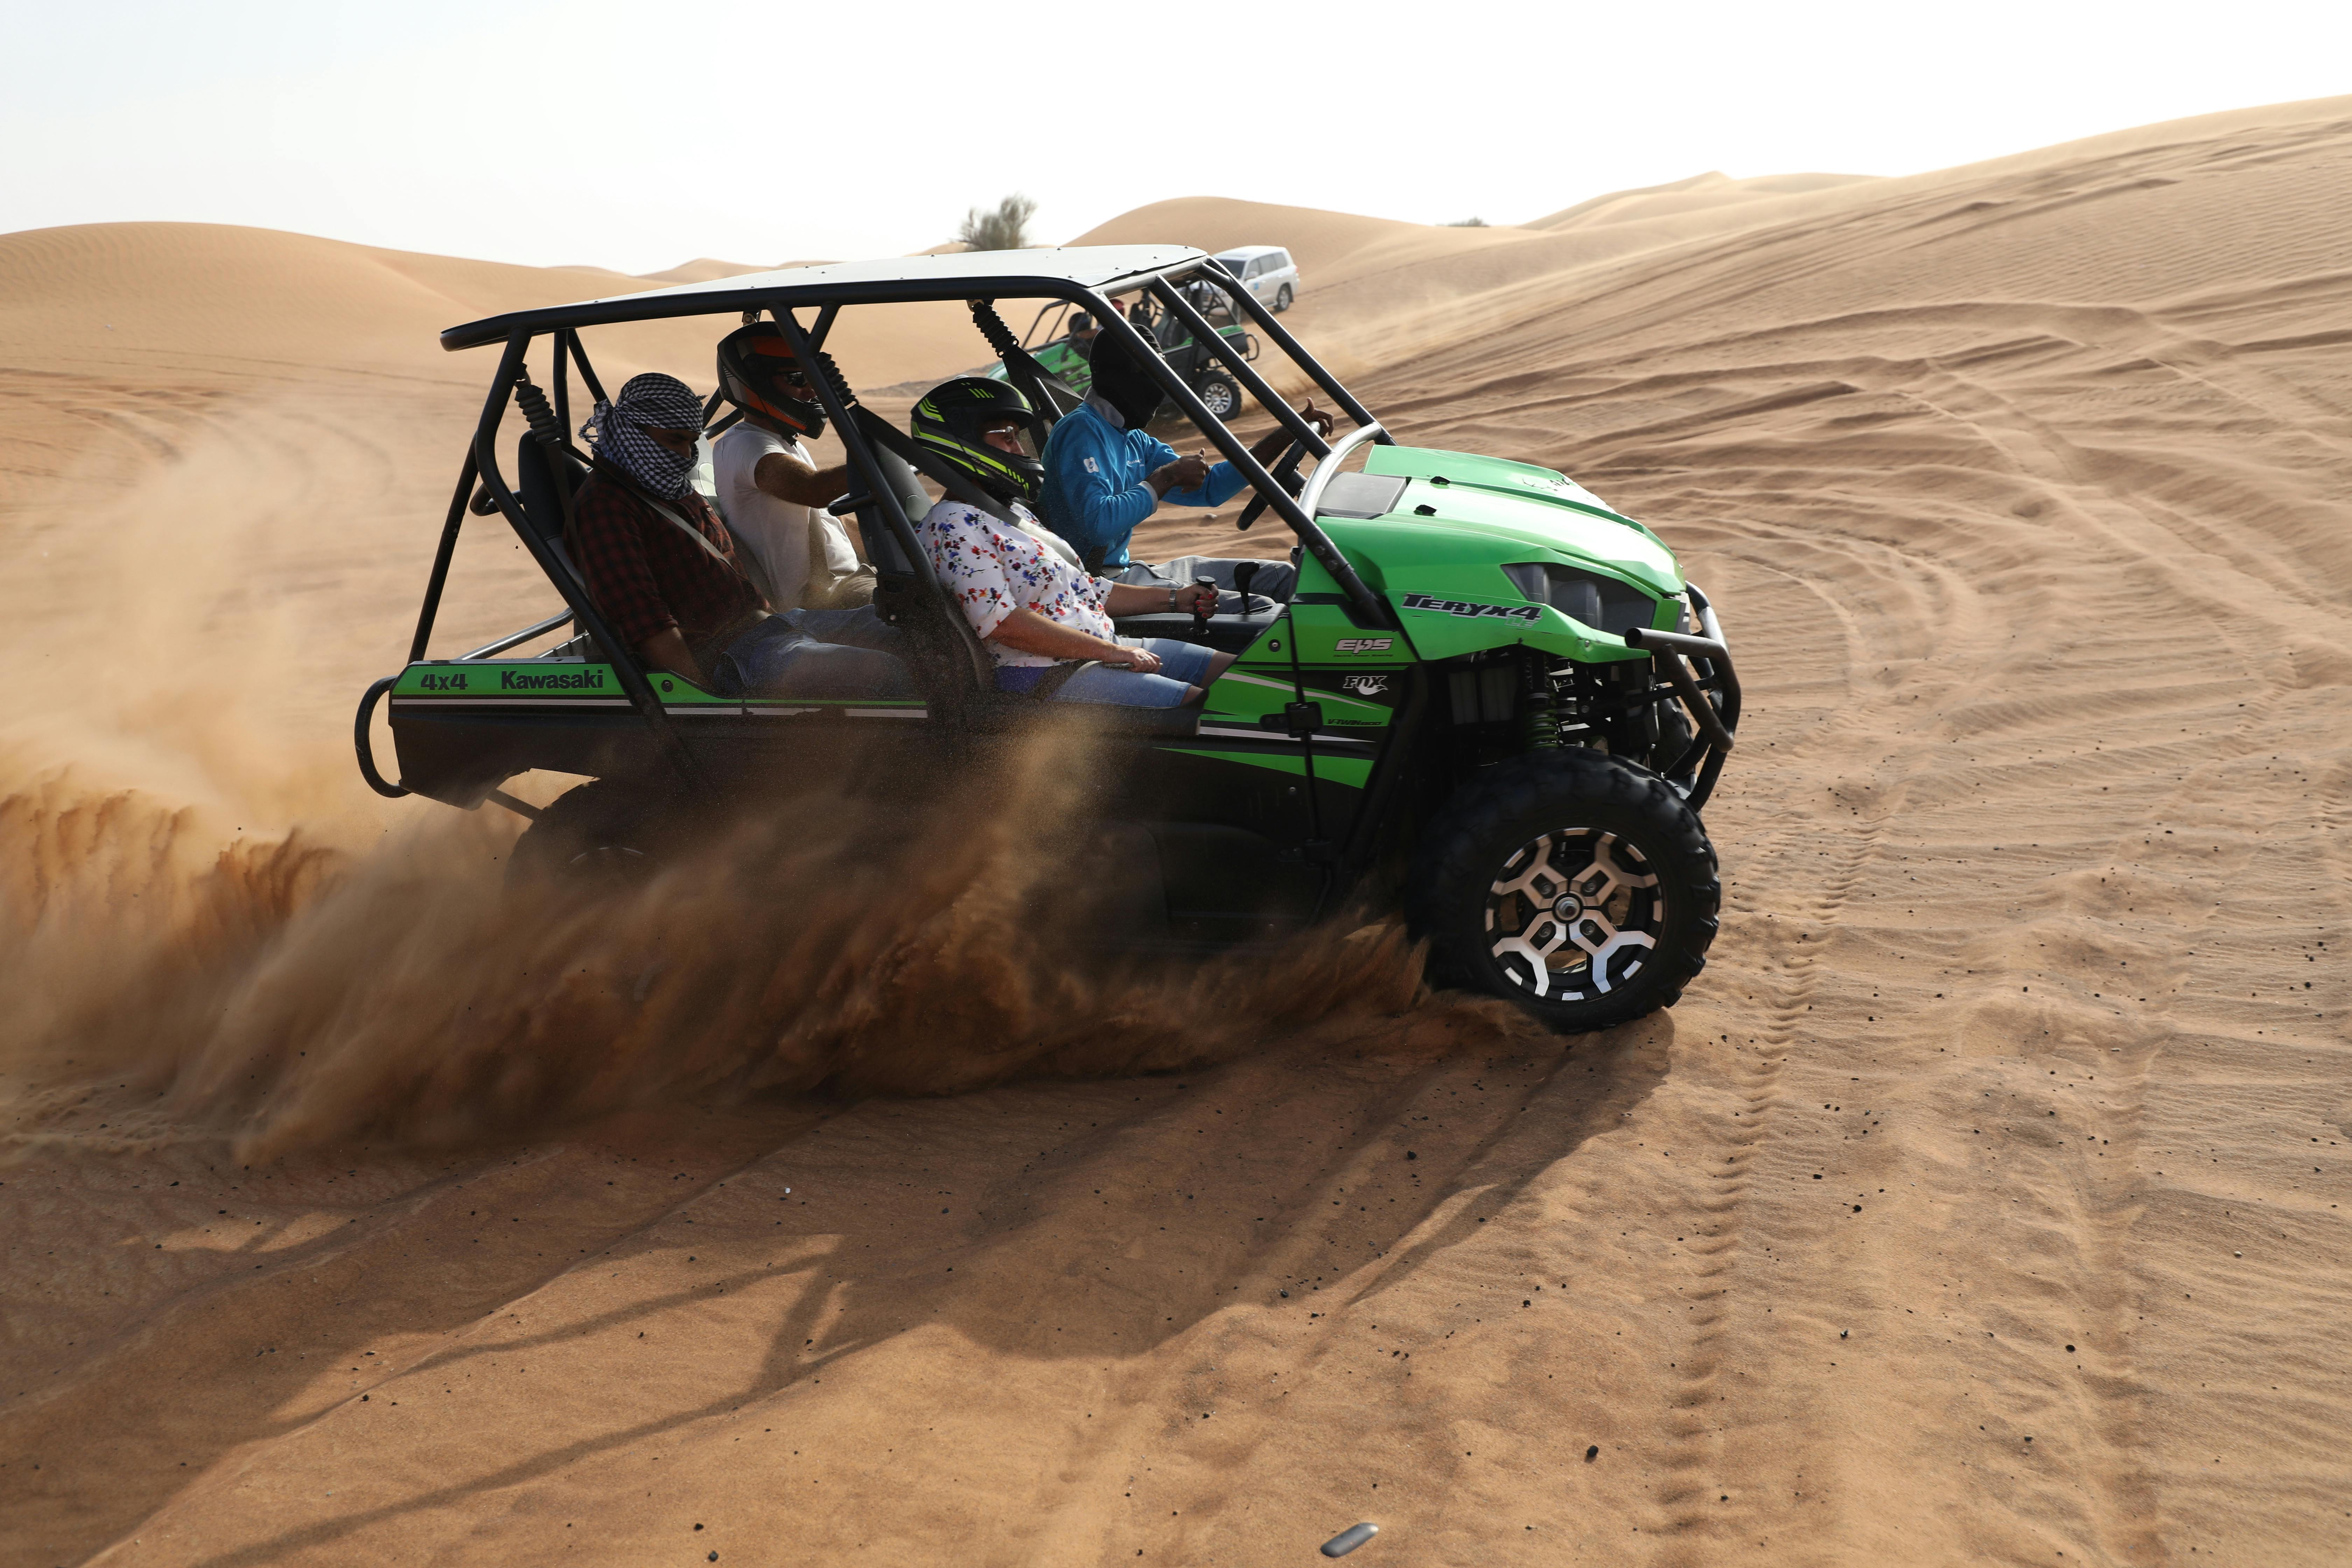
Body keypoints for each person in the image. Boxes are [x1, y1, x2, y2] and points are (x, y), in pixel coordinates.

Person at [569, 372, 909, 700]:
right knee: (887, 672)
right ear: (631, 432)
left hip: (774, 626)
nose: (685, 457)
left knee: (913, 627)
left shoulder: (668, 487)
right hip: (733, 656)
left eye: (691, 443)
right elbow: (646, 624)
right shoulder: (606, 505)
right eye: (674, 440)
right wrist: (702, 703)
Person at [910, 376, 1233, 707]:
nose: (1020, 450)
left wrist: (1174, 599)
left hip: (1097, 650)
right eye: (1007, 438)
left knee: (1242, 675)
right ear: (962, 442)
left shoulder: (1011, 513)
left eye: (1017, 438)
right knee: (1214, 713)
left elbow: (1084, 588)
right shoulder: (953, 525)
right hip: (1045, 675)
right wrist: (1113, 652)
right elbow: (1002, 623)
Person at [1036, 324, 1332, 607]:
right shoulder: (1082, 432)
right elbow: (1099, 525)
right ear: (1119, 375)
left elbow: (1211, 489)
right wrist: (1167, 476)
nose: (1157, 386)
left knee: (1284, 579)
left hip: (1128, 573)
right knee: (1257, 609)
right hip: (1093, 587)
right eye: (1148, 372)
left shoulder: (1133, 439)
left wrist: (1287, 433)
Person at [710, 322, 875, 610]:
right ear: (757, 381)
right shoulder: (747, 446)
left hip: (845, 585)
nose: (812, 391)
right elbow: (813, 490)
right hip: (819, 602)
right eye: (798, 379)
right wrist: (879, 458)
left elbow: (827, 518)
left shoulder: (785, 443)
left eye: (813, 378)